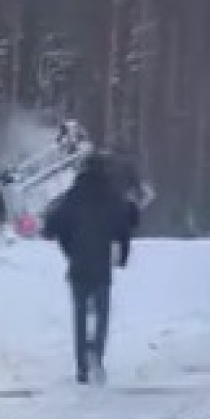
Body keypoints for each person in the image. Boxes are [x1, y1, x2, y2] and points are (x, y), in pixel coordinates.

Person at [42, 153, 132, 385]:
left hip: (79, 264)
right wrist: (122, 253)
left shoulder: (74, 195)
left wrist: (69, 248)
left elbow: (55, 225)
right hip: (101, 264)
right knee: (102, 313)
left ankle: (81, 366)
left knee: (80, 315)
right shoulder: (111, 196)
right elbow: (124, 224)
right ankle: (97, 356)